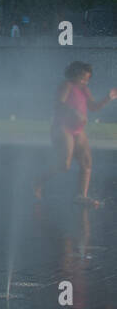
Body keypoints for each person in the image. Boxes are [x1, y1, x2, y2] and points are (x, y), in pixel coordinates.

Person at [33, 61, 117, 207]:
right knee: (64, 164)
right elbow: (59, 104)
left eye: (87, 79)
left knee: (86, 163)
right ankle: (38, 180)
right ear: (74, 75)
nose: (85, 82)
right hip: (63, 127)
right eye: (82, 78)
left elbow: (93, 107)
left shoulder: (84, 90)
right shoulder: (67, 85)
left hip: (78, 130)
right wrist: (74, 112)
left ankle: (81, 196)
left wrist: (107, 98)